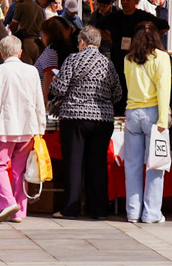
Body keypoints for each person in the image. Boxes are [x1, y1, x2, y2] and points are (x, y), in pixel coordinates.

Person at [49, 26, 122, 219]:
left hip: (74, 118)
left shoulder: (73, 59)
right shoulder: (108, 63)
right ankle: (99, 210)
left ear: (82, 42)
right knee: (97, 165)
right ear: (97, 43)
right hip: (102, 119)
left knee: (74, 164)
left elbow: (58, 88)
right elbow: (118, 93)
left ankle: (70, 208)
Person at [0, 36, 46, 223]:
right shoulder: (31, 71)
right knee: (19, 169)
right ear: (20, 52)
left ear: (1, 53)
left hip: (4, 126)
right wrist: (41, 127)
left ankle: (7, 203)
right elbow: (38, 102)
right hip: (27, 126)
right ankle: (19, 211)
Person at [123, 21, 172, 224]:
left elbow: (128, 84)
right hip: (153, 114)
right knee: (155, 165)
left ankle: (133, 212)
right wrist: (163, 119)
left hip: (132, 112)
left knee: (132, 166)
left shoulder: (128, 58)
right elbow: (163, 89)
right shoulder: (162, 58)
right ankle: (151, 212)